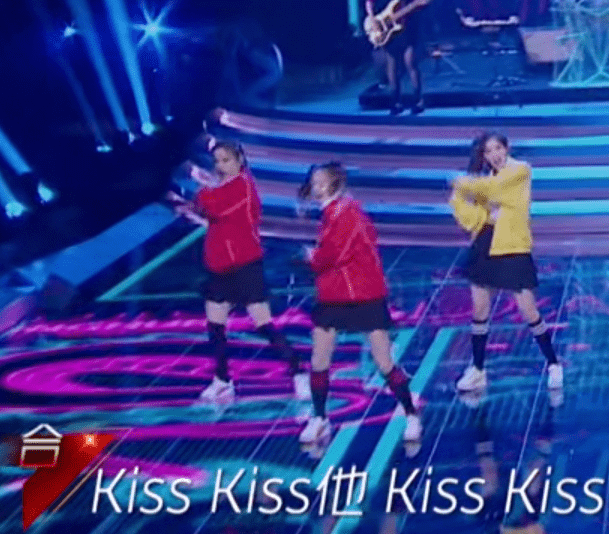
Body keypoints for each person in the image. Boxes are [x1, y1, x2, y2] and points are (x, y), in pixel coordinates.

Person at [172, 140, 309, 404]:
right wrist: (205, 193)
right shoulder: (219, 189)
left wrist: (205, 191)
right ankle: (222, 379)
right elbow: (204, 206)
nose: (220, 166)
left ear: (239, 161)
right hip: (219, 267)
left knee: (262, 324)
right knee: (215, 325)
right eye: (217, 161)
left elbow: (214, 207)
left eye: (226, 160)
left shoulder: (244, 187)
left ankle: (298, 370)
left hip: (245, 266)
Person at [297, 162, 422, 444]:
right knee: (319, 360)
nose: (316, 187)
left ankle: (411, 414)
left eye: (321, 182)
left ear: (335, 183)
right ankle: (319, 418)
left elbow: (334, 254)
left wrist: (312, 257)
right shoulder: (331, 212)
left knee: (383, 362)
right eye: (314, 182)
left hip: (363, 296)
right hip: (333, 296)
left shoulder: (348, 212)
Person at [450, 133, 563, 392]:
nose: (495, 155)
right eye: (488, 151)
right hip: (485, 244)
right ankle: (478, 370)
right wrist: (474, 207)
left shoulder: (520, 170)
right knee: (479, 310)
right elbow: (469, 209)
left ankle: (554, 364)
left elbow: (494, 191)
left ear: (507, 148)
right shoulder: (483, 179)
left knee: (528, 310)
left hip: (512, 247)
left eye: (498, 148)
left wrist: (463, 183)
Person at [365, 0, 430, 115]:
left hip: (408, 28)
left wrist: (416, 5)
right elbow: (369, 2)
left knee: (410, 63)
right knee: (392, 66)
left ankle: (418, 101)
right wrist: (373, 21)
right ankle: (395, 102)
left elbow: (420, 5)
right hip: (389, 30)